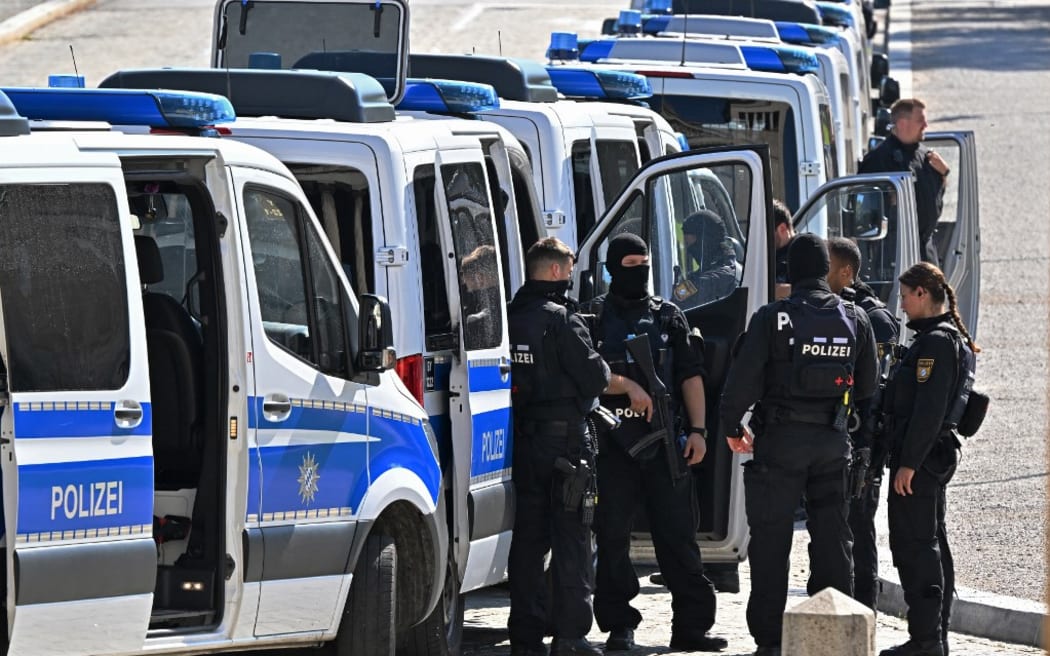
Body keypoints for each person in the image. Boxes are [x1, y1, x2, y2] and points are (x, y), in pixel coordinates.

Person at [720, 234, 879, 656]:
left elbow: (741, 382)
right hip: (832, 444)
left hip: (780, 445)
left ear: (790, 269)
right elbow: (867, 388)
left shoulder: (773, 317)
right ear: (827, 269)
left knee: (771, 543)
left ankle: (772, 640)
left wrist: (732, 427)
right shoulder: (855, 316)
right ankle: (830, 628)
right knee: (832, 540)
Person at [583, 234, 727, 653]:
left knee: (678, 537)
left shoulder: (668, 317)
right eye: (631, 264)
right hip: (612, 445)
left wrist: (698, 431)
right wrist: (626, 386)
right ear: (612, 268)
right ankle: (619, 626)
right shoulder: (592, 317)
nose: (640, 271)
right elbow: (585, 374)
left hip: (665, 444)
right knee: (612, 539)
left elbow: (690, 376)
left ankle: (691, 628)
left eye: (644, 263)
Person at [507, 237, 610, 656]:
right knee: (572, 538)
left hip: (526, 439)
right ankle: (570, 635)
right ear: (553, 271)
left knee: (529, 540)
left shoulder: (509, 318)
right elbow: (595, 379)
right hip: (568, 443)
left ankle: (526, 637)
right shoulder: (563, 320)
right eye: (567, 270)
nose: (570, 277)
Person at [879, 262, 980, 656]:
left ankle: (926, 640)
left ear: (922, 293)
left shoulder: (937, 343)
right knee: (930, 542)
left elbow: (929, 410)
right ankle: (933, 637)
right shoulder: (942, 339)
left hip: (920, 462)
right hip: (927, 459)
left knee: (915, 546)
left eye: (905, 296)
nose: (901, 306)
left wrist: (908, 463)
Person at [827, 237, 901, 611]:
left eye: (826, 268)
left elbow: (876, 392)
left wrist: (868, 450)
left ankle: (864, 611)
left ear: (845, 272)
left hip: (864, 445)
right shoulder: (840, 309)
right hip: (843, 439)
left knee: (858, 529)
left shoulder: (873, 318)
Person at [859, 98, 950, 265]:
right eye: (920, 121)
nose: (925, 125)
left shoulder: (926, 156)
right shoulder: (878, 160)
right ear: (902, 123)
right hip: (895, 254)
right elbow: (865, 212)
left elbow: (934, 199)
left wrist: (944, 173)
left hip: (926, 251)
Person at [673, 209, 739, 309]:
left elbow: (677, 299)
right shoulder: (713, 269)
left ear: (706, 241)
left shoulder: (719, 277)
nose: (689, 250)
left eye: (689, 243)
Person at [772, 199, 794, 299]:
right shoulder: (771, 253)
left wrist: (777, 290)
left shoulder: (805, 251)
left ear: (782, 229)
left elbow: (816, 290)